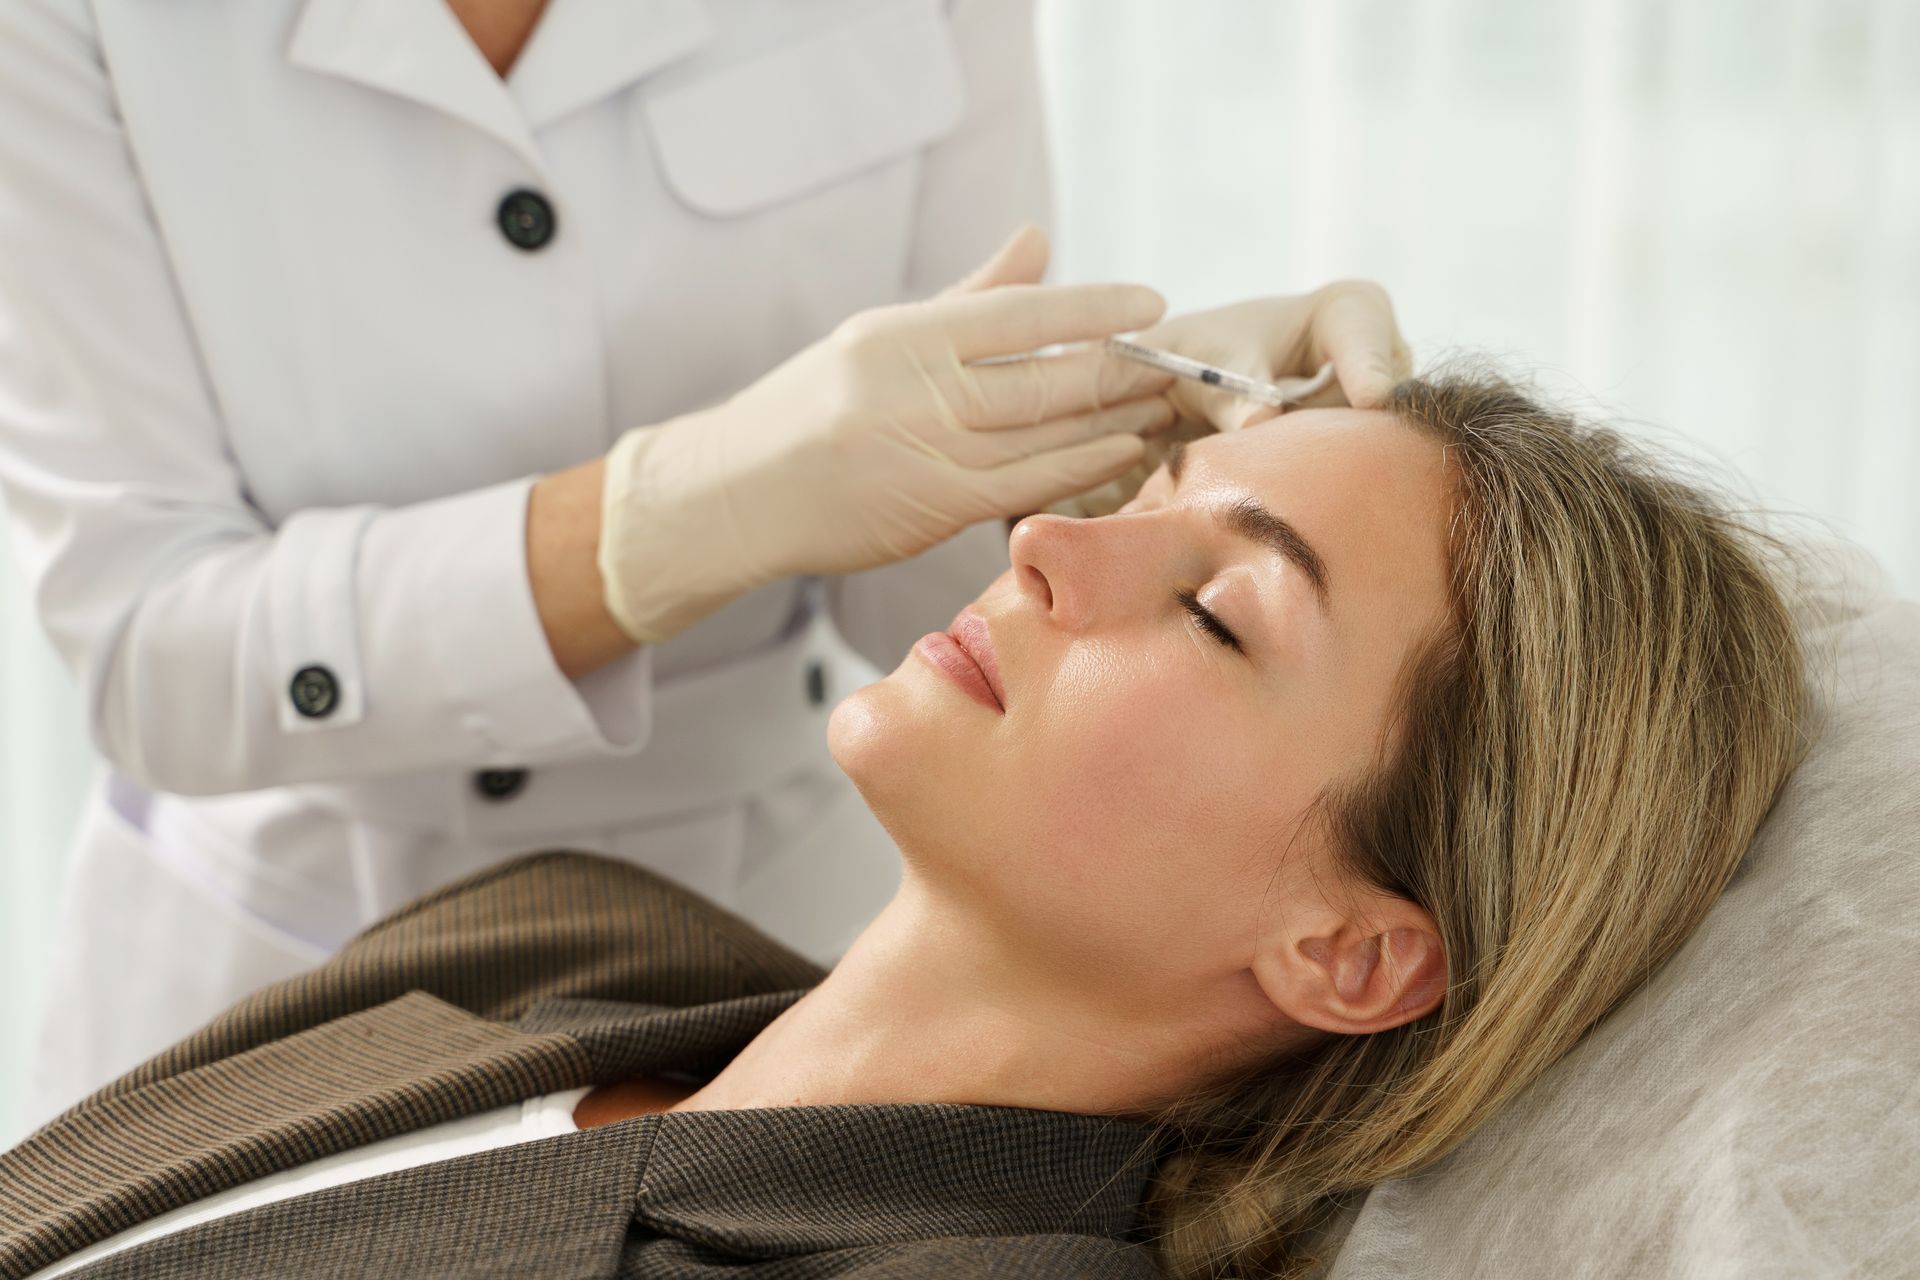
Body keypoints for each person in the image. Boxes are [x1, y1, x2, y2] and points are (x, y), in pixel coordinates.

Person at [1, 371, 1810, 1280]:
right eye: (1150, 492)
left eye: (1214, 608)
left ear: (1349, 947)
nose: (1048, 543)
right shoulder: (554, 935)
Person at [0, 0, 1414, 1131]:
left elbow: (944, 617)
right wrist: (671, 514)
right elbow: (152, 657)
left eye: (1223, 616)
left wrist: (1103, 466)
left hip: (753, 928)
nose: (1050, 554)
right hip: (269, 945)